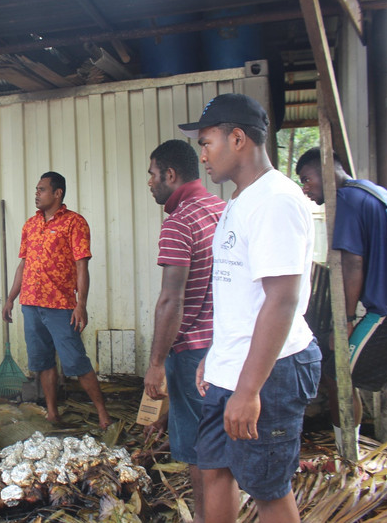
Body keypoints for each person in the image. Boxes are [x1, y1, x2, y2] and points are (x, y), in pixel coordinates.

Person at [178, 93, 321, 523]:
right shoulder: (240, 201)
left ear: (237, 138)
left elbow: (282, 300)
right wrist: (217, 357)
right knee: (215, 471)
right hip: (232, 365)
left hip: (269, 372)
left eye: (206, 142)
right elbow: (241, 294)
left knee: (266, 488)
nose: (201, 155)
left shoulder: (275, 200)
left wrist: (248, 389)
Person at [296, 147, 387, 454]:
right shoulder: (375, 193)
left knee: (335, 375)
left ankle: (348, 459)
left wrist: (346, 321)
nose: (305, 188)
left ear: (327, 172)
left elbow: (353, 264)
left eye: (306, 179)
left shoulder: (346, 201)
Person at [143, 139, 226, 522]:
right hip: (225, 350)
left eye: (152, 173)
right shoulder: (222, 210)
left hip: (192, 353)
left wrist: (156, 362)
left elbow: (170, 301)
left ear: (170, 175)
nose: (149, 181)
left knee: (198, 453)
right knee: (221, 447)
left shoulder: (179, 222)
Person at [3, 171, 112, 429]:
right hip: (30, 304)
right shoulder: (30, 224)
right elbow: (23, 264)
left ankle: (102, 414)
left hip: (61, 306)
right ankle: (52, 413)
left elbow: (81, 266)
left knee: (76, 361)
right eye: (37, 190)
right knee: (43, 362)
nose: (37, 194)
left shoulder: (75, 222)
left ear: (57, 193)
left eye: (41, 190)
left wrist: (81, 304)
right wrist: (10, 298)